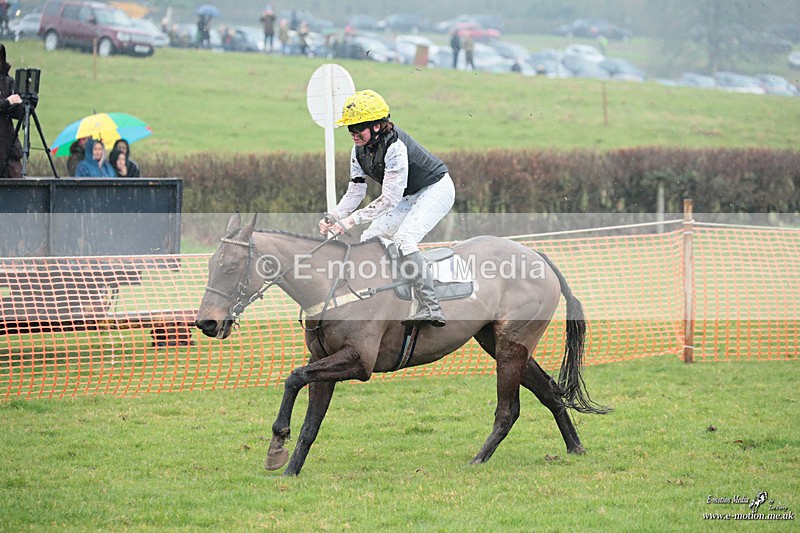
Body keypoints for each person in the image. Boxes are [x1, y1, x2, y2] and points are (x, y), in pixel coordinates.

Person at [319, 90, 455, 327]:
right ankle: (385, 296)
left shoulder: (395, 147)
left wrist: (351, 220)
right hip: (408, 195)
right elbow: (356, 191)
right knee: (370, 238)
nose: (353, 134)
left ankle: (431, 306)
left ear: (377, 126)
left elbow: (390, 199)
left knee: (404, 239)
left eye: (358, 128)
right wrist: (335, 216)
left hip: (436, 189)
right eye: (350, 128)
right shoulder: (358, 151)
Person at [0, 43, 24, 179]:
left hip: (9, 147)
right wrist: (7, 102)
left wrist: (25, 103)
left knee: (16, 185)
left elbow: (17, 114)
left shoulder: (8, 81)